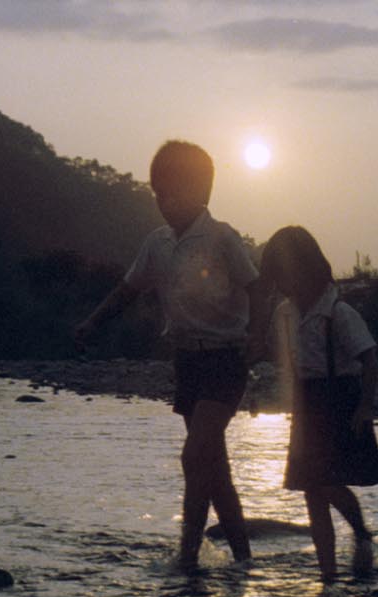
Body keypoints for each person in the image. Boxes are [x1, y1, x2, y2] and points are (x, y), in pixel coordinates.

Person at [74, 140, 264, 571]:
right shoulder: (157, 243)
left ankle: (187, 557)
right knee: (214, 469)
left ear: (201, 192)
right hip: (188, 364)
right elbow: (128, 289)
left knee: (195, 455)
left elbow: (256, 285)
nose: (164, 202)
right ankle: (243, 559)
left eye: (173, 192)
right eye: (159, 193)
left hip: (225, 361)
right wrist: (92, 322)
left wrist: (258, 333)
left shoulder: (221, 237)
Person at [261, 225, 378, 581]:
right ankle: (328, 576)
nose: (285, 284)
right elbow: (282, 362)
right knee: (311, 492)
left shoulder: (339, 312)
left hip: (339, 401)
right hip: (307, 404)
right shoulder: (284, 314)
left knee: (328, 483)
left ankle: (360, 532)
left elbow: (370, 361)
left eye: (289, 274)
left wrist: (365, 407)